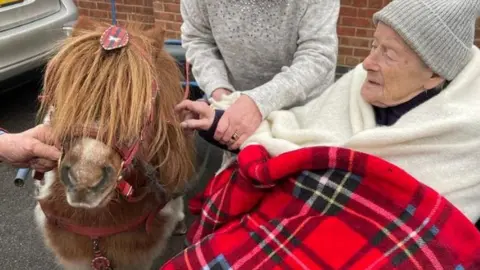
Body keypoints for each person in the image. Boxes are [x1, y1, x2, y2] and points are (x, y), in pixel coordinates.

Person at [168, 0, 480, 268]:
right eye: (373, 45)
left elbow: (439, 241)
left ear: (435, 74)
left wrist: (254, 106)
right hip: (289, 216)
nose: (366, 63)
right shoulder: (356, 85)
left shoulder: (465, 138)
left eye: (388, 53)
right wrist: (221, 117)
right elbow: (290, 130)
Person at [180, 0, 340, 150]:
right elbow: (198, 40)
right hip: (236, 106)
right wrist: (222, 94)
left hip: (305, 117)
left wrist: (258, 102)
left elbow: (317, 55)